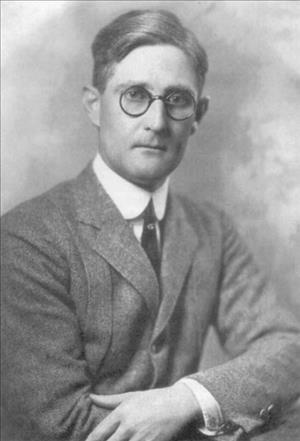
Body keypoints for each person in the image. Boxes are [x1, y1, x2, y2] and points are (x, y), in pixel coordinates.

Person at [1, 9, 300, 441]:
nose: (157, 123)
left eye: (176, 100)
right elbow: (64, 425)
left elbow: (287, 348)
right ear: (94, 105)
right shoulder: (25, 239)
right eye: (135, 95)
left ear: (198, 114)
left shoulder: (211, 229)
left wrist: (185, 398)